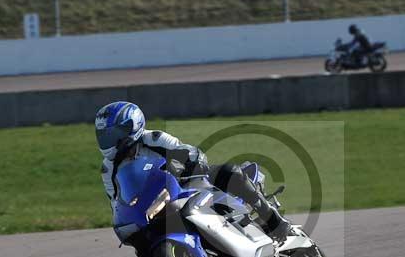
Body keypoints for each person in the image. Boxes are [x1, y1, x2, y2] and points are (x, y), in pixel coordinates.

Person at [95, 101, 291, 247]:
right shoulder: (108, 168)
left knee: (230, 172)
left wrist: (189, 162)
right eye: (104, 136)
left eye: (113, 134)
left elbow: (187, 151)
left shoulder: (153, 139)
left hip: (186, 183)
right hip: (156, 203)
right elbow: (116, 201)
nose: (109, 141)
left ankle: (272, 219)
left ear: (132, 126)